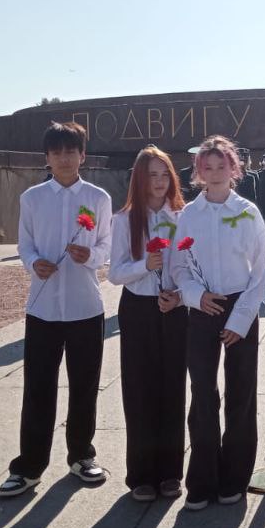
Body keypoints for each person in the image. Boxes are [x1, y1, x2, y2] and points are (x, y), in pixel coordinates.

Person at [0, 122, 112, 498]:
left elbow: (107, 245)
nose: (64, 158)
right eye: (57, 152)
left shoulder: (98, 198)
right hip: (43, 308)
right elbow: (25, 244)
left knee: (84, 386)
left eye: (71, 151)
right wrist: (34, 264)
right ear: (47, 158)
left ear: (83, 155)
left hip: (85, 306)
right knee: (38, 387)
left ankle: (81, 455)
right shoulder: (32, 198)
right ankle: (29, 467)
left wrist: (90, 255)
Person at [169, 135, 265, 510]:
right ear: (198, 171)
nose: (214, 173)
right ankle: (202, 478)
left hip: (240, 306)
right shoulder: (189, 215)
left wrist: (241, 319)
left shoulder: (248, 212)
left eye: (220, 166)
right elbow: (179, 266)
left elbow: (260, 270)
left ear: (233, 168)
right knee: (203, 392)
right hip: (203, 308)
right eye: (206, 167)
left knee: (241, 393)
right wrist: (196, 296)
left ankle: (234, 478)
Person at [108, 145, 188, 502]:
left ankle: (170, 472)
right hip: (138, 308)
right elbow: (115, 273)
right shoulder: (125, 220)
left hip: (173, 306)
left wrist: (180, 295)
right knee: (140, 389)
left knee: (172, 387)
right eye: (151, 175)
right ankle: (141, 474)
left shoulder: (182, 216)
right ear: (139, 179)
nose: (158, 182)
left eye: (164, 174)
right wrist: (146, 265)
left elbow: (189, 265)